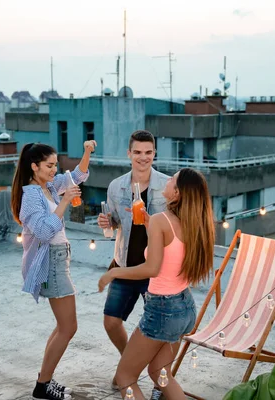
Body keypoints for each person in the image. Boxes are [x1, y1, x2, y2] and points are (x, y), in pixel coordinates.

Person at [98, 168, 216, 400]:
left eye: (173, 179)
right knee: (159, 373)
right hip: (185, 308)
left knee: (125, 377)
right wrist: (150, 223)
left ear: (177, 193)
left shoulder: (163, 220)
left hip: (163, 309)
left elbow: (151, 269)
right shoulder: (194, 224)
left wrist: (113, 274)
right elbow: (173, 243)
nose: (168, 179)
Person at [11, 140, 96, 400]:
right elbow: (46, 231)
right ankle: (42, 385)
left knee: (63, 326)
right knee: (68, 327)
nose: (54, 169)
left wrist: (86, 152)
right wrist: (65, 202)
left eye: (55, 164)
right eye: (49, 165)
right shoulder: (30, 196)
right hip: (51, 263)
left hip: (60, 259)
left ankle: (43, 380)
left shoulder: (47, 186)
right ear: (34, 167)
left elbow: (78, 176)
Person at [96, 130, 169, 396]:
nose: (143, 158)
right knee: (111, 321)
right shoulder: (116, 186)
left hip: (156, 268)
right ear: (129, 154)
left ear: (154, 154)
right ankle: (130, 364)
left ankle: (160, 382)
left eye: (148, 152)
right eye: (137, 152)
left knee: (158, 330)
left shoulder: (168, 185)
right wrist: (108, 221)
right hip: (125, 263)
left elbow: (175, 226)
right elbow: (114, 220)